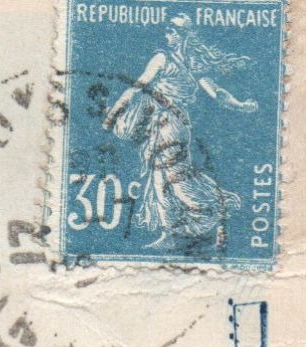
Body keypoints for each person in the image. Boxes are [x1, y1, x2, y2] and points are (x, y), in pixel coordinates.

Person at [102, 14, 259, 250]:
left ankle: (215, 208)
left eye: (172, 32)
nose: (167, 36)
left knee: (175, 178)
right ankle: (171, 233)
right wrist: (240, 105)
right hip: (176, 125)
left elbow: (137, 88)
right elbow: (218, 94)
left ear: (182, 36)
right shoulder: (194, 66)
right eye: (167, 31)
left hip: (166, 124)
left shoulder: (162, 59)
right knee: (163, 176)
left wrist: (113, 115)